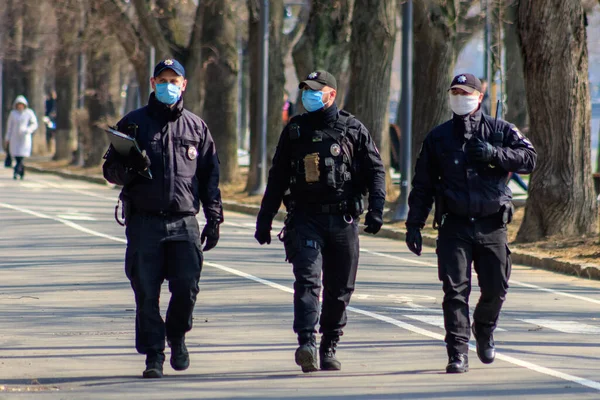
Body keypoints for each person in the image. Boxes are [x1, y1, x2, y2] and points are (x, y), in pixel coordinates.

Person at [254, 70, 386, 373]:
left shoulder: (353, 129)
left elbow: (375, 170)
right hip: (304, 219)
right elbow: (278, 176)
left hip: (343, 219)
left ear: (331, 94)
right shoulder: (295, 130)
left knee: (340, 289)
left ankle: (329, 344)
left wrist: (377, 208)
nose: (309, 95)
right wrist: (265, 218)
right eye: (306, 89)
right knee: (308, 282)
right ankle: (306, 343)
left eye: (316, 89)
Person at [405, 73, 536, 374]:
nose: (460, 96)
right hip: (455, 226)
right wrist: (414, 224)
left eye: (465, 92)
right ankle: (457, 353)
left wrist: (495, 154)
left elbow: (529, 159)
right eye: (455, 91)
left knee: (495, 289)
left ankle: (484, 328)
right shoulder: (438, 138)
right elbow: (422, 185)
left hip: (491, 225)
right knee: (454, 291)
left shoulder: (500, 130)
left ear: (479, 97)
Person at [102, 59, 223, 379]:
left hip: (184, 221)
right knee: (146, 292)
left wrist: (214, 217)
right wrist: (128, 169)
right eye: (163, 79)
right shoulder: (133, 123)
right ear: (153, 83)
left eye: (175, 80)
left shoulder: (197, 127)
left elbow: (211, 175)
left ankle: (178, 336)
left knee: (187, 287)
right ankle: (154, 355)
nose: (169, 85)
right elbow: (109, 170)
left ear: (184, 84)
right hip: (144, 223)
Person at [4, 95, 38, 180]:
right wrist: (7, 138)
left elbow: (34, 124)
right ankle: (20, 170)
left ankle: (17, 171)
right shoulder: (13, 114)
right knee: (16, 156)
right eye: (18, 104)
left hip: (24, 138)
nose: (20, 106)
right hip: (14, 137)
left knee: (22, 156)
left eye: (21, 104)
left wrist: (28, 130)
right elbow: (10, 127)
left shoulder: (29, 113)